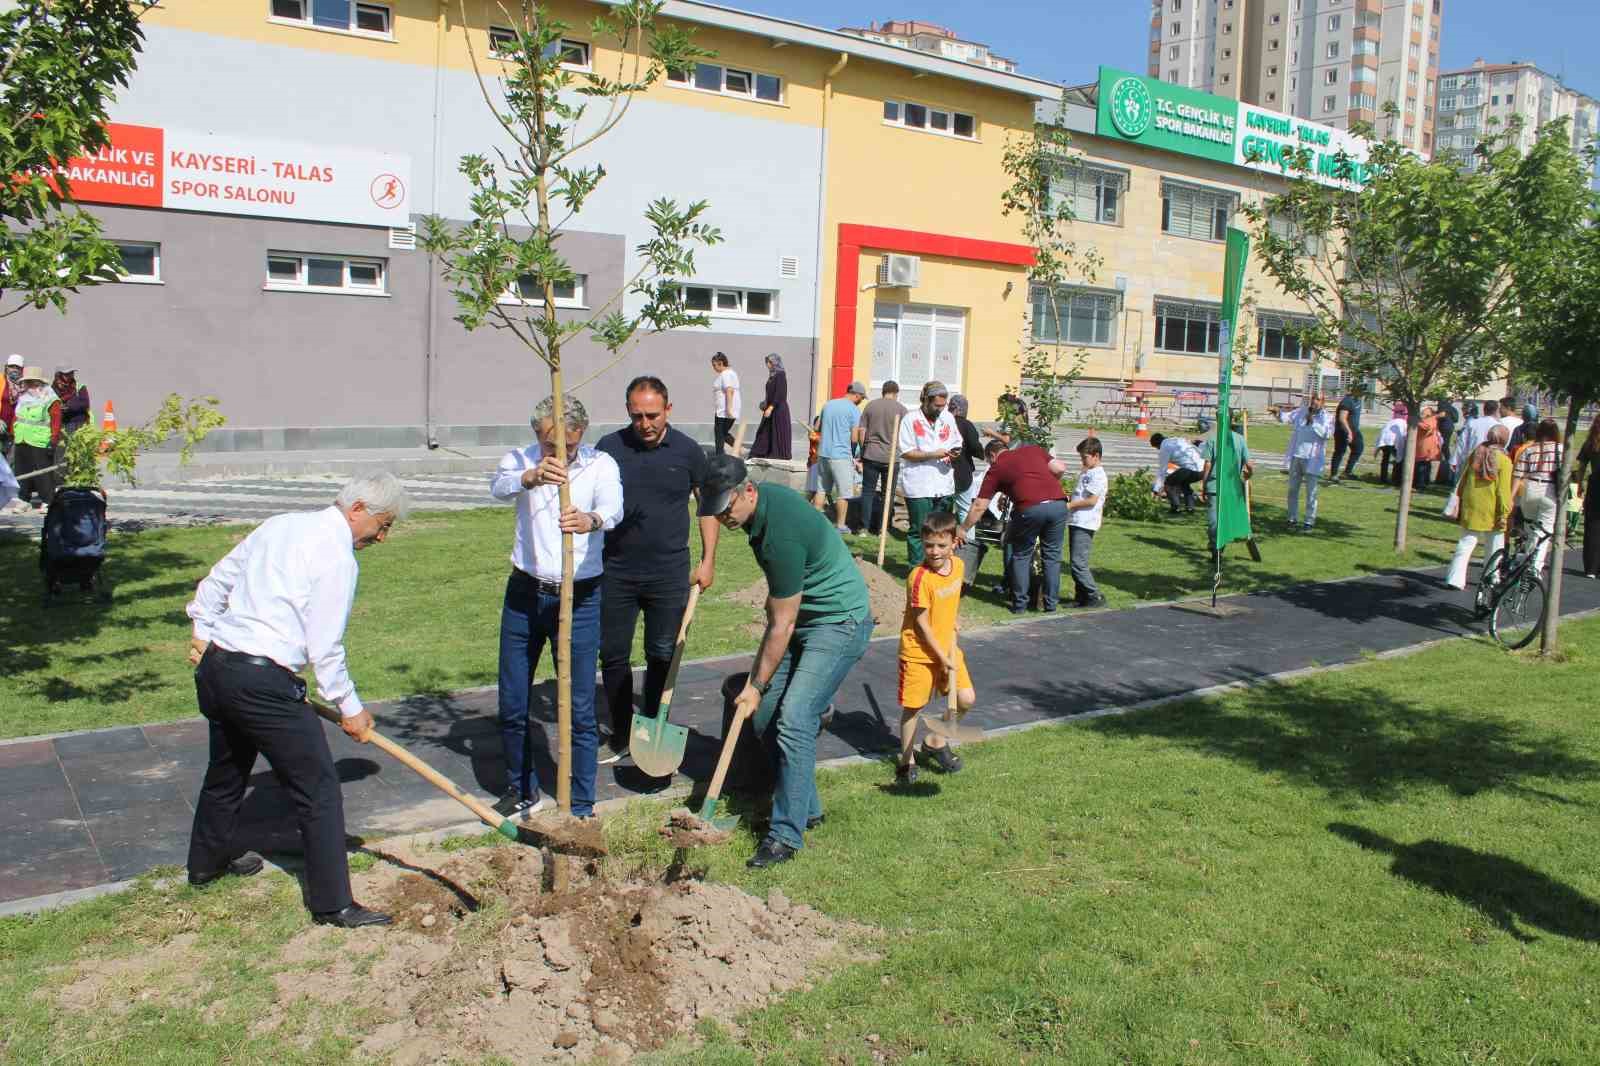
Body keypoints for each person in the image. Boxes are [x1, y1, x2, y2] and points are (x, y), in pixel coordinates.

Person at [185, 473, 410, 928]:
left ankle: (205, 865)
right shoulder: (337, 558)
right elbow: (324, 648)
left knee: (226, 771)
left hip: (218, 669)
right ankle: (333, 904)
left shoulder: (280, 524)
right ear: (358, 509)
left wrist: (203, 631)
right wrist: (351, 708)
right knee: (319, 790)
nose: (382, 538)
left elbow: (216, 582)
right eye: (383, 525)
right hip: (262, 683)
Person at [699, 454, 872, 868]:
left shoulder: (779, 533)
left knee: (794, 717)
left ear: (749, 491)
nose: (724, 518)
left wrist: (755, 686)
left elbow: (782, 621)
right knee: (763, 720)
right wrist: (757, 695)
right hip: (802, 621)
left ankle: (784, 836)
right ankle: (807, 807)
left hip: (838, 622)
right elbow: (781, 613)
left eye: (728, 507)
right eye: (716, 511)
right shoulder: (762, 510)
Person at [490, 394, 623, 821]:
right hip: (525, 594)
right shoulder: (521, 459)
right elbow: (498, 487)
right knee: (512, 700)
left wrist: (591, 521)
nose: (557, 454)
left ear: (580, 434)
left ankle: (582, 803)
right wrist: (530, 477)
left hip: (580, 596)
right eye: (549, 445)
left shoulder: (600, 464)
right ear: (537, 435)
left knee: (580, 705)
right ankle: (523, 788)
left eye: (565, 445)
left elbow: (613, 509)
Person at [595, 377, 720, 766]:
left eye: (652, 414)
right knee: (613, 655)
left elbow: (708, 506)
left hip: (669, 572)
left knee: (662, 652)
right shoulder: (608, 449)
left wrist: (708, 559)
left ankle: (648, 726)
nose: (645, 423)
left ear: (668, 409)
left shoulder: (687, 451)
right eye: (637, 416)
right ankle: (620, 731)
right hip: (615, 570)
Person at [894, 510, 975, 787]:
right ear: (922, 543)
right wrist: (942, 658)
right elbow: (921, 624)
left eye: (941, 545)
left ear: (954, 542)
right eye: (929, 545)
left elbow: (952, 600)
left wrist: (954, 622)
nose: (935, 551)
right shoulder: (919, 578)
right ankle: (906, 762)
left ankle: (935, 741)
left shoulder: (959, 567)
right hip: (919, 652)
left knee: (965, 699)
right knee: (913, 707)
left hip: (948, 648)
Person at [957, 434, 1069, 613]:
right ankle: (1050, 604)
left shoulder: (997, 468)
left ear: (992, 456)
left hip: (1029, 509)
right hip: (1058, 505)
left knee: (1021, 555)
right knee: (1052, 557)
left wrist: (963, 528)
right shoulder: (1033, 450)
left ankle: (1020, 604)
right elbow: (1060, 467)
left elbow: (979, 505)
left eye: (989, 461)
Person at [897, 380, 960, 565]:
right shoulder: (910, 420)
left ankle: (940, 568)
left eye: (943, 405)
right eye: (936, 405)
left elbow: (957, 441)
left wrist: (955, 453)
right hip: (919, 485)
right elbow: (906, 452)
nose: (940, 409)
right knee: (920, 530)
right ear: (926, 400)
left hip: (943, 485)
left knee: (943, 530)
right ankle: (917, 570)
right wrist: (933, 454)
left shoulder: (948, 418)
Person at [1444, 425, 1512, 590]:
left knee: (1466, 543)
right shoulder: (1504, 460)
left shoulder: (1477, 453)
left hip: (1472, 503)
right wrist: (1505, 511)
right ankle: (1491, 576)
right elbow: (1503, 490)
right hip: (1493, 507)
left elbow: (1464, 477)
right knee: (1495, 545)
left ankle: (1455, 578)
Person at [1510, 419, 1562, 578]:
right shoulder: (1560, 449)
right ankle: (1535, 567)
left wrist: (1511, 497)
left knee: (1530, 528)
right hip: (1550, 489)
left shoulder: (1530, 449)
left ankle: (1528, 558)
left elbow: (1518, 474)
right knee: (1545, 530)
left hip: (1530, 488)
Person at [816, 381, 866, 533]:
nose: (861, 401)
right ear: (856, 395)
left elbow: (817, 427)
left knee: (821, 490)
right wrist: (859, 454)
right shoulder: (854, 410)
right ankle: (840, 525)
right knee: (844, 493)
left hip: (823, 453)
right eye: (862, 398)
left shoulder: (828, 404)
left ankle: (814, 522)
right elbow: (854, 438)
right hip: (841, 456)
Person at [1200, 421, 1254, 563]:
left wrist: (1204, 484)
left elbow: (1207, 463)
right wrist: (1249, 475)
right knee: (1222, 520)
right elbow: (1249, 465)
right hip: (1230, 487)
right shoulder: (1240, 439)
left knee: (1214, 521)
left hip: (1215, 486)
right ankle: (1218, 548)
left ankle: (1216, 548)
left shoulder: (1212, 439)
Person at [1064, 438, 1109, 608]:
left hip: (1085, 522)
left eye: (1085, 457)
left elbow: (1091, 500)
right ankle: (1081, 596)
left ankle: (1094, 595)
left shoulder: (1098, 475)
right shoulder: (1088, 472)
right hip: (1076, 520)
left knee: (1078, 563)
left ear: (1096, 456)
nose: (1082, 461)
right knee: (1076, 561)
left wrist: (1069, 505)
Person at [858, 381, 907, 535]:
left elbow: (861, 431)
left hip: (871, 454)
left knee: (867, 492)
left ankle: (864, 527)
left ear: (883, 391)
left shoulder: (871, 406)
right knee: (888, 494)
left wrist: (863, 449)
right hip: (891, 457)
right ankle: (882, 528)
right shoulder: (901, 409)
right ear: (896, 392)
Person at [10, 366, 61, 509]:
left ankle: (47, 500)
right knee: (22, 470)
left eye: (30, 382)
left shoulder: (50, 399)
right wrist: (14, 430)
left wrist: (54, 439)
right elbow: (17, 416)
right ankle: (23, 499)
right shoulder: (24, 397)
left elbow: (56, 419)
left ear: (38, 383)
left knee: (43, 472)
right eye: (26, 382)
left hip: (40, 439)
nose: (27, 385)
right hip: (22, 438)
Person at [1283, 393, 1333, 531]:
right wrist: (1277, 413)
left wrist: (1314, 422)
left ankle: (1309, 521)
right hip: (1297, 455)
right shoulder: (1302, 411)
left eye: (1317, 399)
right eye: (1313, 399)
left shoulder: (1326, 417)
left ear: (1323, 402)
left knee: (1311, 492)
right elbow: (1286, 418)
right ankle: (1291, 519)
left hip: (1313, 459)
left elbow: (1327, 434)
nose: (1314, 402)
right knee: (1293, 489)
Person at [947, 393, 986, 521]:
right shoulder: (966, 425)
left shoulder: (942, 423)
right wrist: (982, 454)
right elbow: (975, 447)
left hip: (942, 471)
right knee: (964, 510)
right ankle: (968, 540)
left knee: (942, 511)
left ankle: (941, 538)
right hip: (961, 472)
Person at [748, 353, 792, 460]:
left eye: (768, 362)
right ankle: (758, 453)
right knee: (764, 431)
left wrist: (771, 407)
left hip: (778, 409)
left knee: (774, 432)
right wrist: (765, 403)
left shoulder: (780, 375)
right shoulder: (772, 375)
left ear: (774, 363)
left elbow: (780, 393)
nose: (767, 364)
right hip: (771, 408)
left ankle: (777, 454)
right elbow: (771, 393)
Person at [1149, 432, 1204, 514]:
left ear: (1157, 444)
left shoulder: (1164, 448)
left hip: (1191, 469)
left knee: (1168, 483)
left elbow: (1162, 471)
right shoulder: (1176, 439)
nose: (1158, 449)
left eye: (1157, 447)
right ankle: (1190, 508)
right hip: (1202, 469)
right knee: (1183, 483)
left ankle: (1175, 508)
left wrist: (1156, 489)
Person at [1328, 385, 1365, 483]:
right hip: (1342, 430)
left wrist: (1354, 431)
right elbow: (1342, 418)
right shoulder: (1347, 401)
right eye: (1361, 390)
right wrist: (1349, 432)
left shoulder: (1358, 400)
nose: (1363, 393)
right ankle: (1333, 475)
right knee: (1340, 451)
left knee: (1358, 448)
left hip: (1354, 430)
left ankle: (1347, 472)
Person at [1579, 415, 1600, 579]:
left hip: (1595, 484)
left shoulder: (1590, 443)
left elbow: (1582, 466)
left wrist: (1579, 484)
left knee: (1592, 527)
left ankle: (1591, 568)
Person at [710, 353, 739, 454]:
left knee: (719, 434)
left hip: (724, 411)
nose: (713, 368)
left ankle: (719, 456)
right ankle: (739, 448)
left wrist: (728, 408)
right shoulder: (730, 373)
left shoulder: (726, 374)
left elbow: (729, 390)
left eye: (714, 365)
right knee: (723, 433)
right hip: (725, 410)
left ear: (720, 363)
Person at [1376, 403, 1409, 485]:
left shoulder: (1390, 422)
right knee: (1399, 459)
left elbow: (1382, 432)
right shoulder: (1404, 423)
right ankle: (1396, 479)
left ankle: (1383, 478)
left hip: (1385, 441)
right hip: (1393, 441)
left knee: (1385, 459)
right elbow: (1403, 436)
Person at [52, 367, 91, 436]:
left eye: (71, 373)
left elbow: (85, 403)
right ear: (59, 375)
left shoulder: (79, 386)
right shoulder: (53, 389)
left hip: (78, 423)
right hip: (60, 423)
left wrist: (68, 406)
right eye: (67, 374)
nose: (70, 376)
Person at [1412, 406, 1442, 493]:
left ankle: (1421, 484)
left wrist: (1417, 422)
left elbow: (1428, 427)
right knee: (1425, 464)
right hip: (1424, 445)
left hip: (1425, 446)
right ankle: (1424, 482)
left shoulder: (1430, 420)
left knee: (1422, 465)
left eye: (1424, 413)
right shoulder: (1431, 419)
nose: (1422, 414)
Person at [0, 354, 23, 465]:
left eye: (17, 367)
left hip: (14, 433)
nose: (14, 369)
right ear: (6, 367)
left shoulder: (24, 385)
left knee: (9, 466)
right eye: (12, 366)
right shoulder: (0, 380)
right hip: (1, 428)